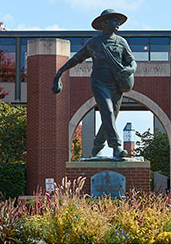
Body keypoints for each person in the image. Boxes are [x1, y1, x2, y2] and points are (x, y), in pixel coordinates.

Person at [52, 9, 137, 159]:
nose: (117, 23)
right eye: (113, 20)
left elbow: (132, 61)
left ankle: (97, 146)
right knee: (109, 113)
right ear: (104, 23)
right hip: (99, 83)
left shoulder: (121, 42)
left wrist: (130, 69)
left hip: (117, 85)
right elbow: (77, 58)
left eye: (118, 20)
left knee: (109, 118)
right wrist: (60, 71)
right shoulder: (94, 43)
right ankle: (117, 147)